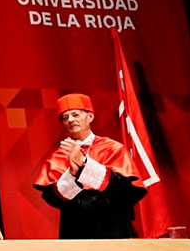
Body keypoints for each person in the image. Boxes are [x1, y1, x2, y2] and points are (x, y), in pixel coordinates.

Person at [33, 93, 146, 239]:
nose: (71, 120)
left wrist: (84, 165)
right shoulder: (58, 156)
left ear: (90, 117)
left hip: (113, 226)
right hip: (75, 230)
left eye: (75, 114)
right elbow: (53, 198)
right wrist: (72, 175)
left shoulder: (112, 148)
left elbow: (128, 190)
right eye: (65, 117)